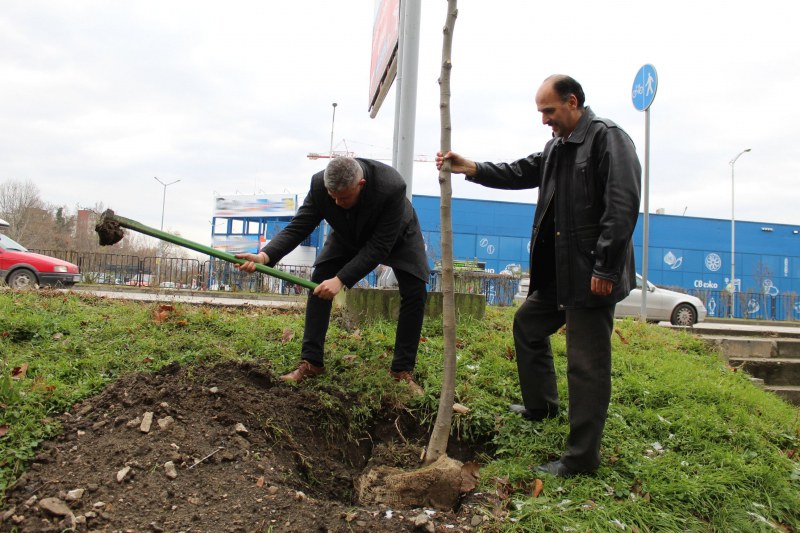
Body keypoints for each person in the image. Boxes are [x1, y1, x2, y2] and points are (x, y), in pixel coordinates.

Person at [436, 74, 641, 476]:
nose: (544, 120)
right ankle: (541, 407)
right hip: (560, 275)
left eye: (549, 110)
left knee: (586, 365)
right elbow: (519, 171)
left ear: (573, 102)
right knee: (528, 324)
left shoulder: (607, 139)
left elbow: (622, 207)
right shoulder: (557, 148)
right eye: (541, 112)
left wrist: (605, 266)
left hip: (591, 275)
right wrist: (472, 168)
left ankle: (582, 459)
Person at [235, 157, 429, 394]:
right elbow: (300, 226)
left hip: (397, 235)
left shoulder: (391, 187)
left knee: (416, 292)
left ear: (361, 184)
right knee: (319, 280)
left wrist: (341, 280)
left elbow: (379, 247)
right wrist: (265, 256)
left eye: (344, 197)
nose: (337, 203)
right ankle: (311, 362)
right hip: (348, 233)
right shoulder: (319, 186)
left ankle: (401, 371)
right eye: (332, 197)